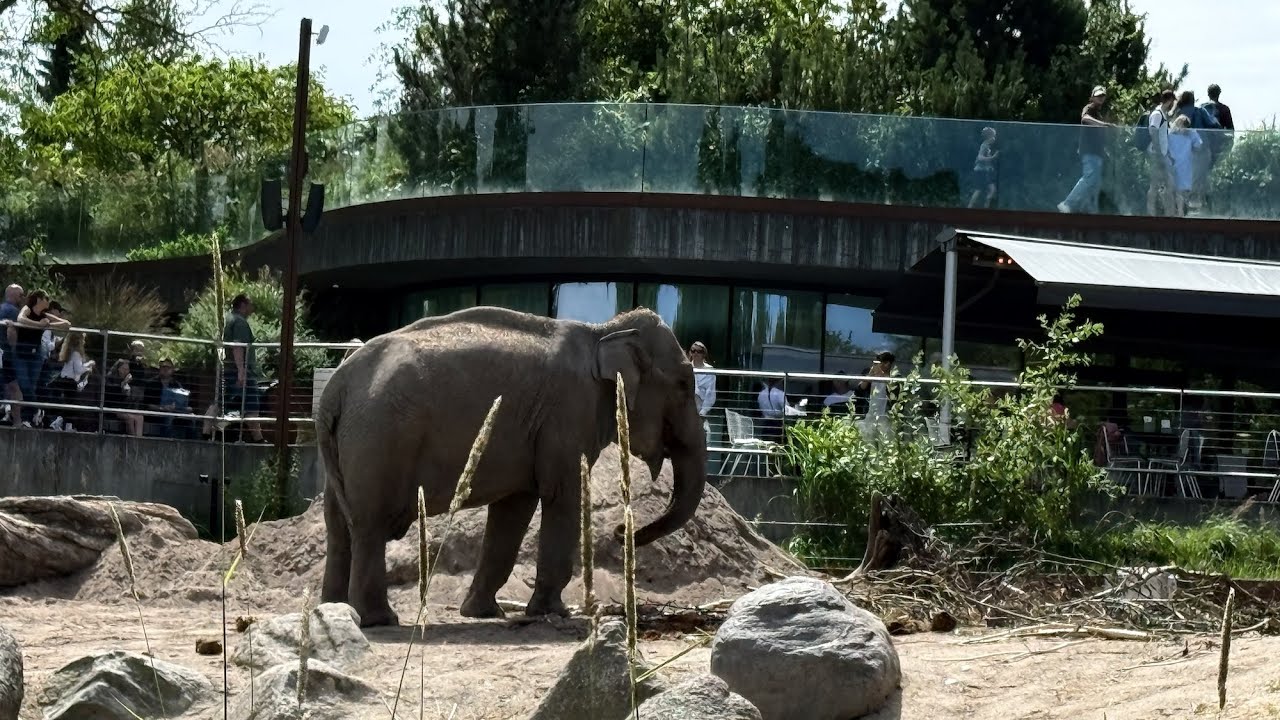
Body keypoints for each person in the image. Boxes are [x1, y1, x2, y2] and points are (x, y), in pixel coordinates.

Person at [10, 290, 70, 427]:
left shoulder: (45, 315)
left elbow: (66, 324)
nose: (48, 302)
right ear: (38, 299)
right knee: (24, 385)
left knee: (31, 386)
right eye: (46, 299)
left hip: (36, 354)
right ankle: (36, 410)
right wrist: (39, 325)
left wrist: (47, 324)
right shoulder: (28, 309)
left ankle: (28, 418)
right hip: (21, 354)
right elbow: (20, 319)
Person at [1058, 86, 1117, 215]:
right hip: (1089, 151)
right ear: (1092, 97)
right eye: (1098, 95)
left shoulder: (1098, 114)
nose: (1101, 98)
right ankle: (1068, 203)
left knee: (1095, 183)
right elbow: (1084, 118)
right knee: (1090, 178)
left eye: (1103, 96)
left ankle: (1089, 210)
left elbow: (1098, 136)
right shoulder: (1089, 108)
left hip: (1097, 153)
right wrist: (1103, 124)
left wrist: (1105, 150)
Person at [223, 293, 265, 442]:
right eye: (250, 304)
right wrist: (241, 370)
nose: (252, 308)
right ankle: (259, 440)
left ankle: (207, 434)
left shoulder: (228, 319)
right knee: (252, 406)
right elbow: (238, 346)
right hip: (241, 371)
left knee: (219, 402)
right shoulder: (240, 322)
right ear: (243, 305)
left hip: (228, 370)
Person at [1173, 90, 1220, 210]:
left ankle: (1183, 205)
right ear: (1193, 100)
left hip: (1183, 152)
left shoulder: (1178, 113)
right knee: (1201, 177)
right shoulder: (1199, 111)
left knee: (1186, 177)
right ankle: (1205, 205)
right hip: (1201, 149)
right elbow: (1213, 125)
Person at [143, 357, 195, 439]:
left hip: (175, 412)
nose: (166, 369)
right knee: (169, 418)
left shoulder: (177, 385)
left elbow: (185, 402)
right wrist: (162, 408)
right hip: (157, 413)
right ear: (159, 369)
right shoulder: (151, 384)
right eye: (163, 367)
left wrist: (183, 408)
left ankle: (191, 446)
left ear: (172, 370)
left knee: (192, 418)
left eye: (168, 367)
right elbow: (147, 405)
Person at [1146, 90, 1177, 217]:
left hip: (1161, 155)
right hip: (1156, 155)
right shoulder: (1157, 114)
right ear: (1169, 100)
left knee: (1165, 183)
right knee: (1156, 184)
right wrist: (1158, 152)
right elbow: (1153, 131)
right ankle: (1152, 213)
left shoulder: (1162, 114)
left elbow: (1163, 135)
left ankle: (1166, 212)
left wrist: (1167, 154)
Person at [1168, 115, 1204, 216]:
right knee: (1174, 188)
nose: (1182, 128)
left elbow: (1199, 146)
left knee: (1183, 189)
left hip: (1185, 164)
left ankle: (1180, 211)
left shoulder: (1191, 133)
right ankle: (1179, 211)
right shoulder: (1169, 133)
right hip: (1172, 163)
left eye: (1184, 126)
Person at [104, 358, 144, 436]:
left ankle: (139, 442)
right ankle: (132, 442)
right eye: (123, 369)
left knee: (140, 417)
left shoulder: (128, 382)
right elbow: (112, 395)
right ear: (118, 369)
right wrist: (123, 384)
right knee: (130, 419)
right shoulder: (110, 380)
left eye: (127, 369)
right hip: (113, 408)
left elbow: (129, 398)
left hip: (125, 408)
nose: (126, 371)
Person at [0, 284, 22, 427]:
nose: (23, 298)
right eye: (21, 295)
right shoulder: (14, 311)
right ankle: (17, 421)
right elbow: (12, 336)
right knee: (14, 388)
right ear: (14, 295)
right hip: (6, 356)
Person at [688, 341, 716, 447]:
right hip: (687, 411)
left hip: (701, 412)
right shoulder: (686, 368)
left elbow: (711, 394)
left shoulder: (710, 370)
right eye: (693, 351)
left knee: (703, 441)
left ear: (704, 354)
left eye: (699, 351)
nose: (695, 353)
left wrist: (703, 412)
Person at [1199, 84, 1235, 164]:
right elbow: (1230, 130)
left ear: (1208, 94)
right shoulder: (1224, 109)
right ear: (1219, 94)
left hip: (1204, 145)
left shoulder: (1202, 108)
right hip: (1219, 145)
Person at [968, 127, 999, 208]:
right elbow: (980, 158)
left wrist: (990, 166)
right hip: (980, 171)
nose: (994, 138)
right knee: (978, 190)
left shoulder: (987, 146)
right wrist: (992, 157)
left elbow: (986, 161)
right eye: (993, 136)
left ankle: (986, 207)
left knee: (992, 189)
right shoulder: (984, 145)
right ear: (988, 136)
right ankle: (969, 207)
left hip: (985, 171)